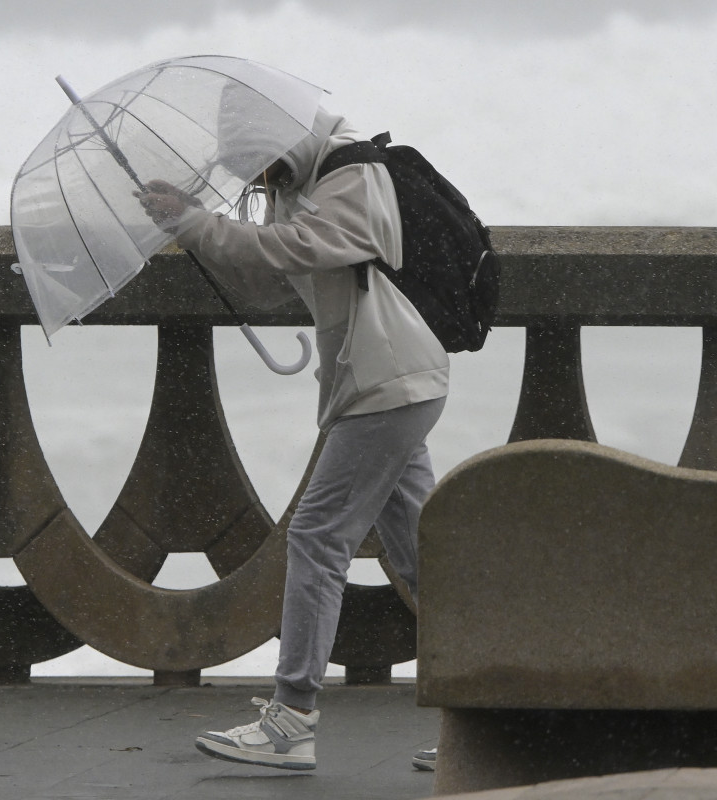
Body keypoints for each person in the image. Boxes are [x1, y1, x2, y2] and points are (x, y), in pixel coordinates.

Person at [137, 104, 448, 772]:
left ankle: (292, 716)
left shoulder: (352, 170)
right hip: (381, 383)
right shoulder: (297, 185)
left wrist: (199, 223)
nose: (254, 177)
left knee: (317, 536)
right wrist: (190, 219)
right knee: (428, 559)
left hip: (387, 383)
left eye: (253, 162)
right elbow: (265, 273)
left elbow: (299, 248)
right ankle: (492, 709)